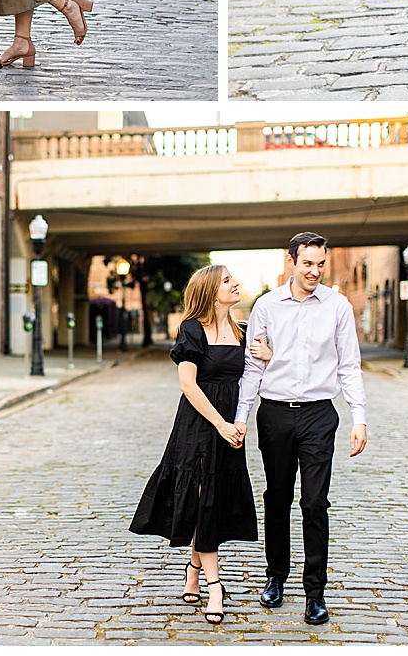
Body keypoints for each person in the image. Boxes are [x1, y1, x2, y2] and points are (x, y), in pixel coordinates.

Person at [232, 233, 368, 626]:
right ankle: (275, 576)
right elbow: (253, 367)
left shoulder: (338, 306)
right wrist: (242, 416)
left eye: (320, 264)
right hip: (274, 414)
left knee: (314, 502)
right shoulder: (267, 306)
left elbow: (348, 366)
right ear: (291, 261)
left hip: (318, 415)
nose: (314, 271)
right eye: (307, 263)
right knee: (277, 498)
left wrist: (359, 417)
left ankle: (315, 592)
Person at [130, 265, 261, 625]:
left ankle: (192, 567)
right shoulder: (191, 330)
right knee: (202, 493)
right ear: (209, 290)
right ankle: (215, 585)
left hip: (230, 426)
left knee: (212, 499)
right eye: (227, 281)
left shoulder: (243, 331)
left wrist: (265, 359)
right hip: (199, 424)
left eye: (235, 278)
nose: (236, 283)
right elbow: (188, 384)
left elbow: (254, 377)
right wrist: (219, 424)